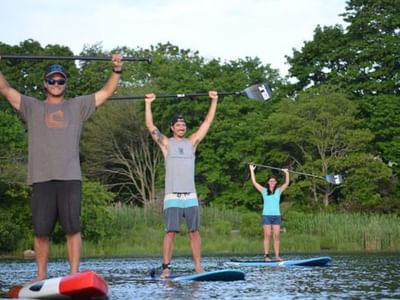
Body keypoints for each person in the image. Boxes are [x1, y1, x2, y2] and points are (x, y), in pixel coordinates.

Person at [0, 54, 123, 282]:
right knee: (41, 231)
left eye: (61, 81)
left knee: (72, 229)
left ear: (65, 83)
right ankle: (40, 276)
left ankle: (74, 275)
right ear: (45, 84)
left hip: (69, 177)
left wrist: (116, 70)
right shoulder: (32, 106)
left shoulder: (77, 106)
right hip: (41, 178)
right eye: (52, 81)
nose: (56, 85)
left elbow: (106, 92)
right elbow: (5, 89)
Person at [145, 91, 218, 278]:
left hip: (190, 196)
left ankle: (198, 267)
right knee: (171, 232)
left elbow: (207, 123)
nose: (181, 127)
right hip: (172, 196)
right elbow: (150, 126)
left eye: (183, 125)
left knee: (194, 231)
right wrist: (148, 103)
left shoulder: (192, 142)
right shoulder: (166, 144)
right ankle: (166, 267)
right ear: (172, 128)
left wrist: (214, 100)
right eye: (178, 125)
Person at [249, 164, 289, 261]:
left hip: (276, 216)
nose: (272, 182)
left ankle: (277, 256)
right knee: (267, 235)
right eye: (271, 181)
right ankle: (266, 255)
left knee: (276, 236)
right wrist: (252, 170)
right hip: (266, 216)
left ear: (275, 183)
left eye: (274, 181)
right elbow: (254, 182)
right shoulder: (264, 190)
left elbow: (287, 183)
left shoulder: (278, 191)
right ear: (268, 182)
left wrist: (286, 173)